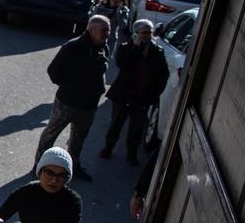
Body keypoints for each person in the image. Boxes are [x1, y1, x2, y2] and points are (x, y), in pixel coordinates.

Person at [34, 15, 111, 182]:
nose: (108, 33)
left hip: (89, 105)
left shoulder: (104, 47)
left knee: (78, 138)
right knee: (50, 134)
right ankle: (40, 165)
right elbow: (53, 71)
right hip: (67, 102)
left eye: (108, 29)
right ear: (92, 30)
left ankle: (73, 166)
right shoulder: (73, 47)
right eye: (104, 30)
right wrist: (70, 87)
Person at [100, 18, 169, 166]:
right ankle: (108, 147)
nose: (147, 36)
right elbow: (123, 64)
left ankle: (132, 153)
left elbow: (163, 74)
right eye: (143, 33)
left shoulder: (157, 51)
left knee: (136, 129)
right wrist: (137, 48)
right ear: (136, 33)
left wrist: (154, 94)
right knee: (116, 124)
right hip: (123, 95)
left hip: (142, 97)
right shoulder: (126, 48)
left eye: (149, 33)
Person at [0, 147, 82, 223]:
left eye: (61, 175)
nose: (54, 180)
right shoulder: (25, 193)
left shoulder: (73, 200)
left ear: (67, 179)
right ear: (40, 172)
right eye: (49, 173)